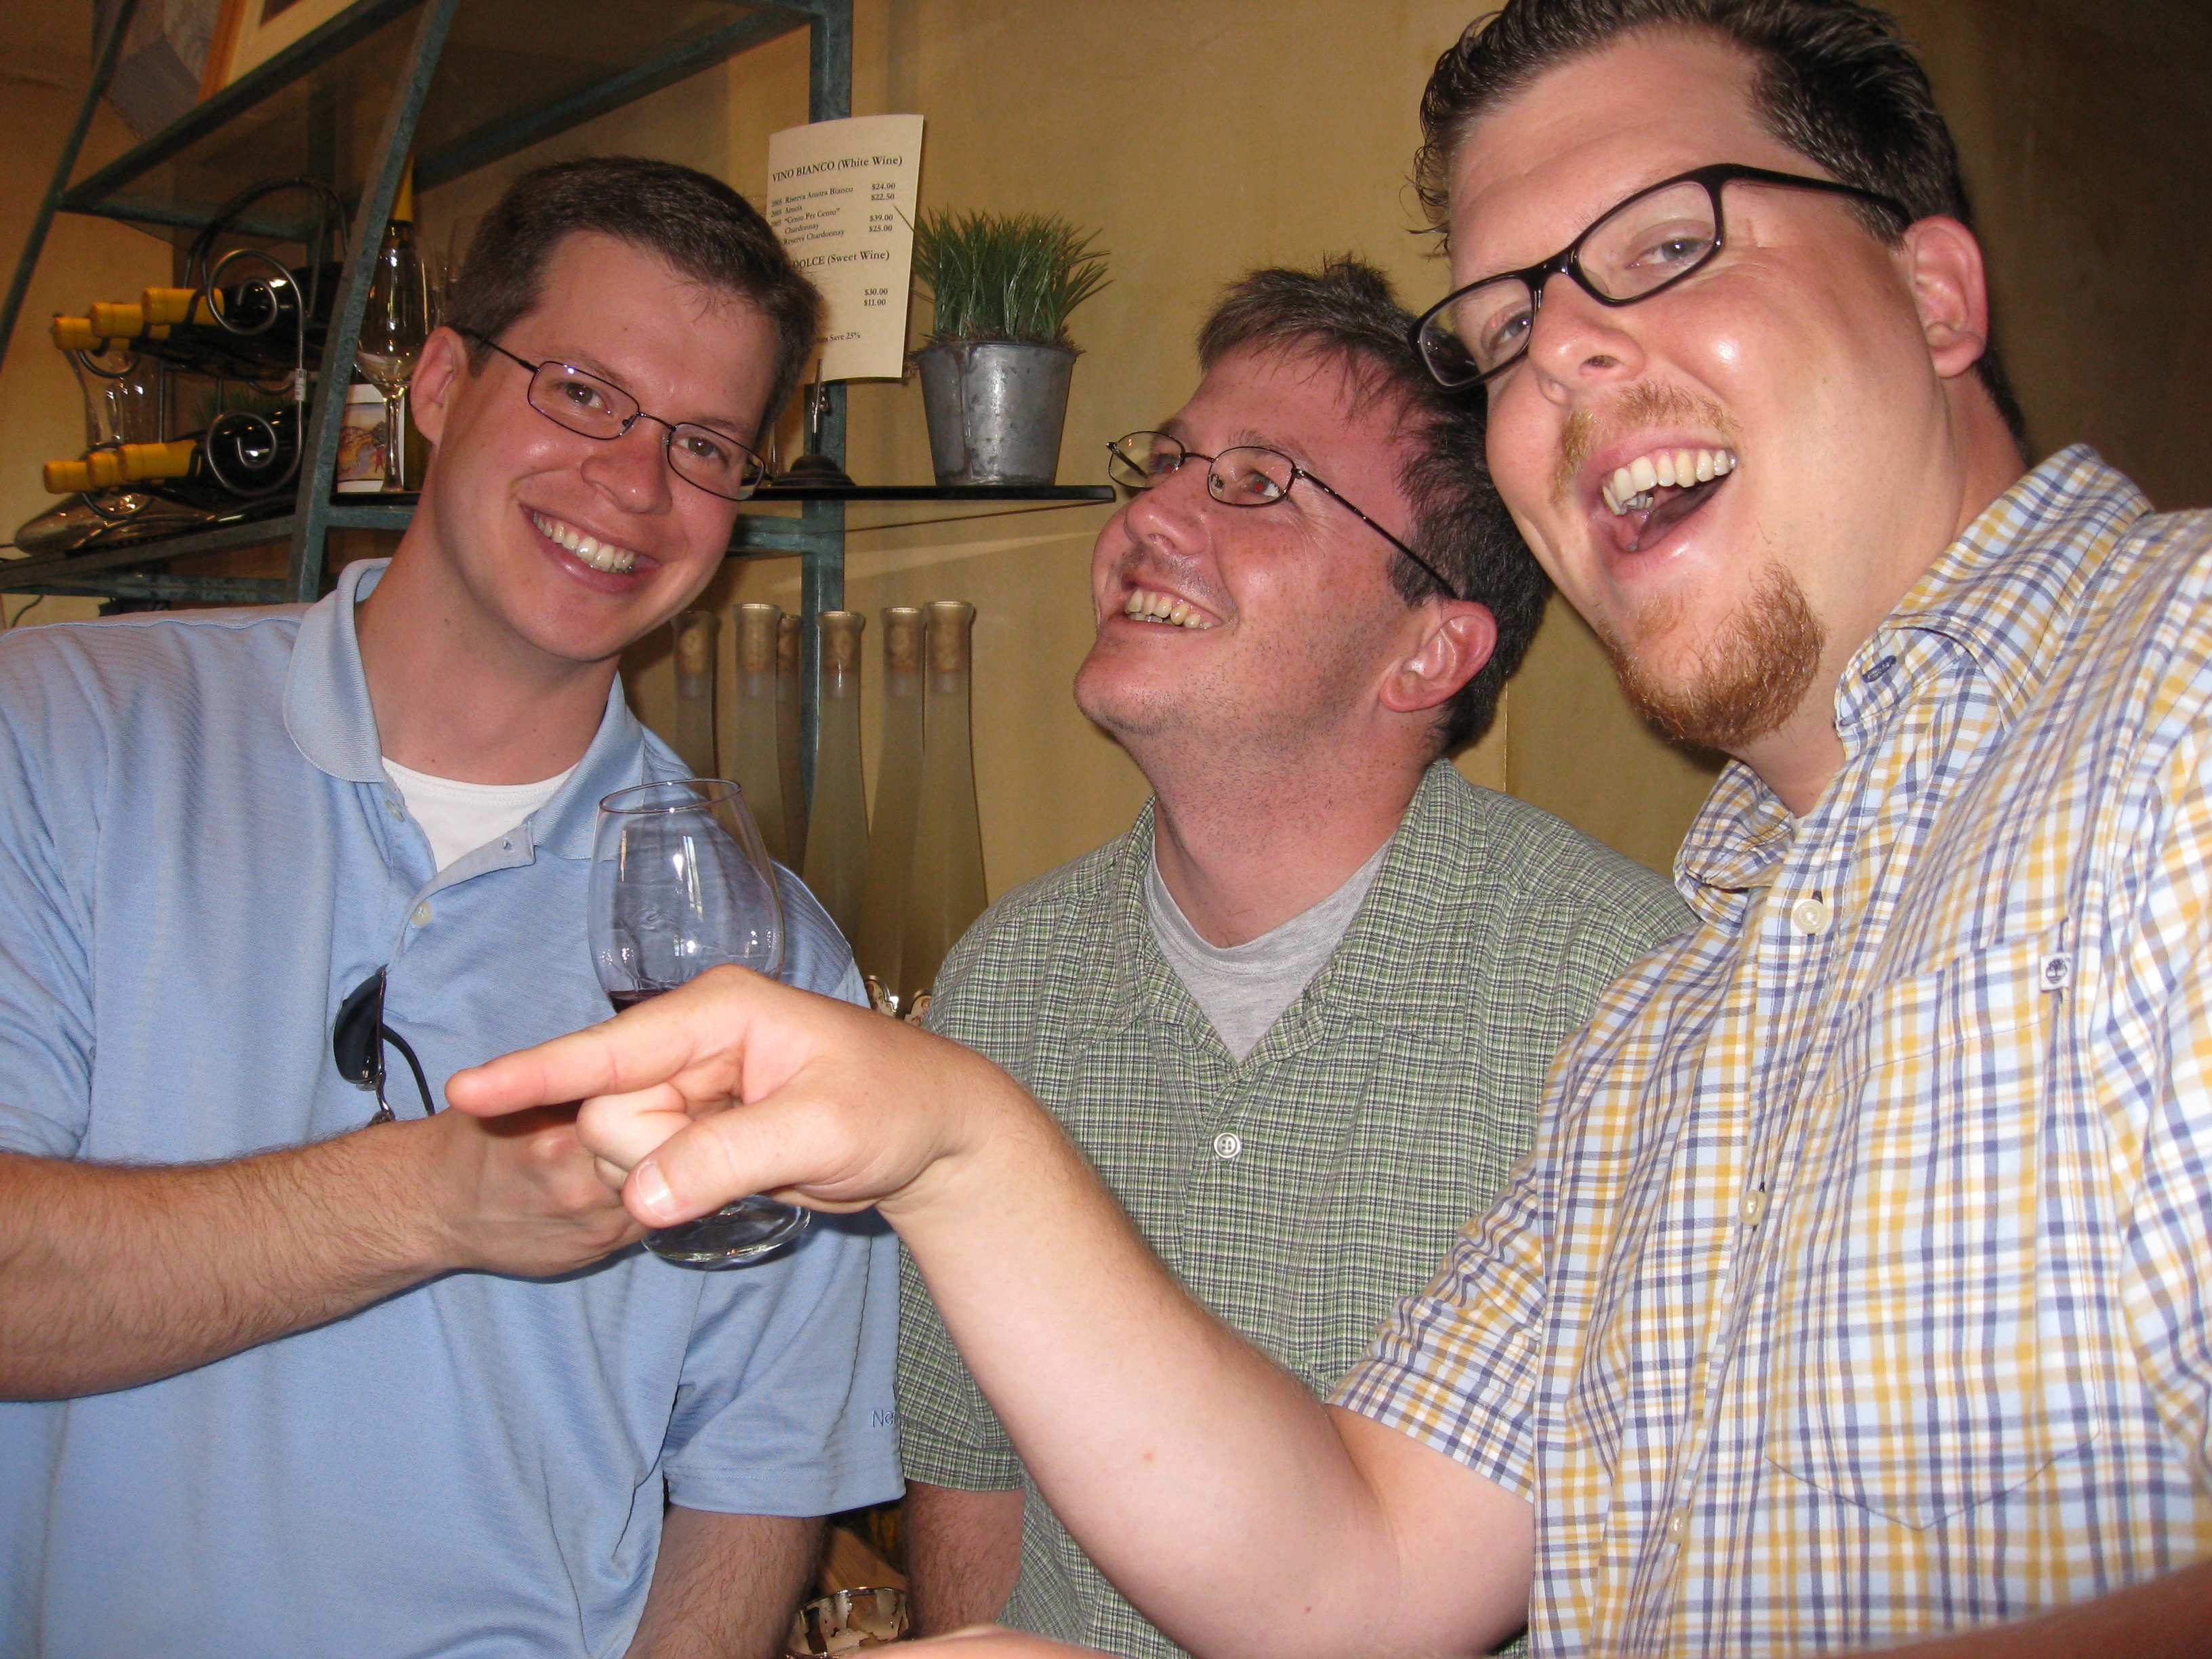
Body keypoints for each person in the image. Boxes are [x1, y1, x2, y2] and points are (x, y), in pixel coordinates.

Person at [449, 1, 2212, 1652]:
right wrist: (952, 1137)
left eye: (1670, 244)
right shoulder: (1689, 1025)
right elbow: (1359, 1570)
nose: (1562, 350)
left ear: (1933, 291)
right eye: (1507, 327)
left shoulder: (2175, 698)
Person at [0, 157, 901, 1658]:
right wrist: (434, 1199)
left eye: (703, 445)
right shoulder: (60, 735)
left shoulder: (764, 949)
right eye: (584, 393)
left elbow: (759, 1473)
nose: (635, 484)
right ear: (435, 385)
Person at [898, 260, 1690, 1654]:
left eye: (1258, 483)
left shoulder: (1626, 999)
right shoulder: (1007, 980)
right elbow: (969, 1471)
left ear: (1429, 651)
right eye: (1168, 462)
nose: (1149, 515)